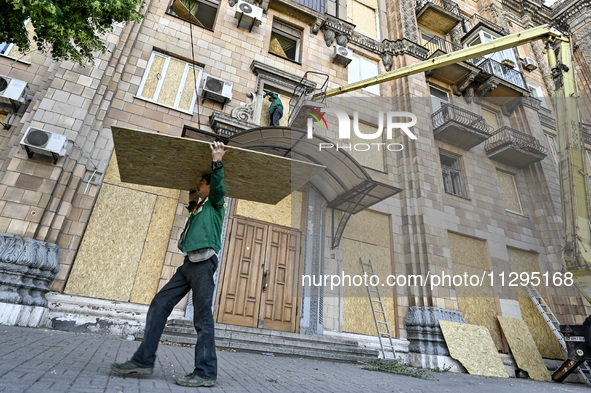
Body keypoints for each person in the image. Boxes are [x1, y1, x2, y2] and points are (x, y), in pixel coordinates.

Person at [111, 141, 228, 388]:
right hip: (188, 264)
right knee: (160, 302)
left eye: (201, 184)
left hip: (204, 263)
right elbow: (191, 199)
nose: (198, 186)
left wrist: (217, 161)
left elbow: (218, 187)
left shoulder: (216, 204)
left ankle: (206, 372)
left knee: (202, 317)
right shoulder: (197, 208)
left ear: (209, 188)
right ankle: (143, 361)